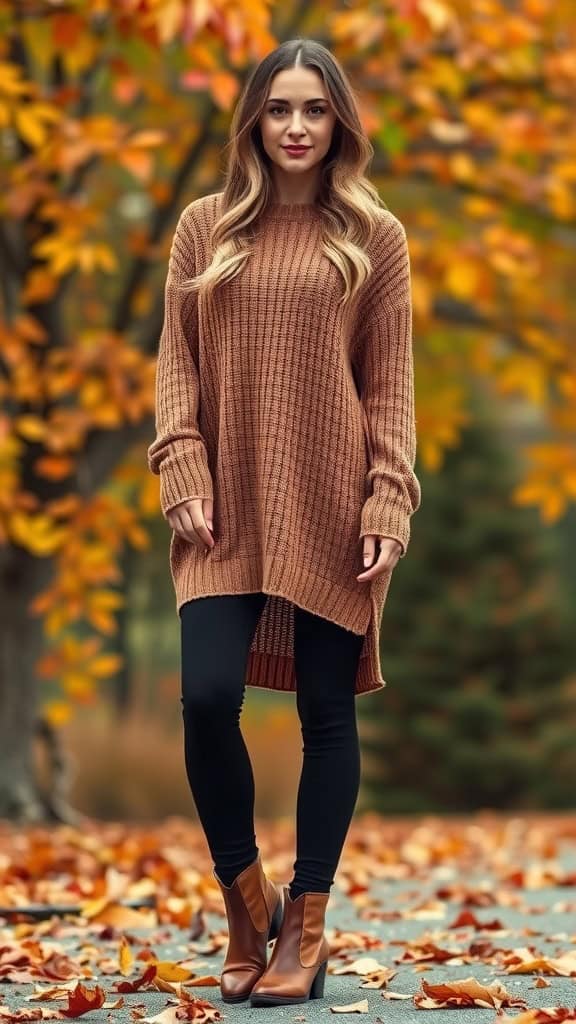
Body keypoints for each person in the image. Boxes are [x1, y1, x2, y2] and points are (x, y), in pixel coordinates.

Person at [147, 36, 421, 1009]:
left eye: (314, 109)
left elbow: (389, 386)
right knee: (209, 697)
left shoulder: (374, 238)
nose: (297, 127)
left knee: (323, 713)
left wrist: (390, 493)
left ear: (338, 122)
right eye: (280, 109)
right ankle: (243, 900)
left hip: (333, 502)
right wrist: (181, 461)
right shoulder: (203, 226)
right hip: (222, 505)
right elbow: (175, 363)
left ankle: (303, 923)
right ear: (253, 122)